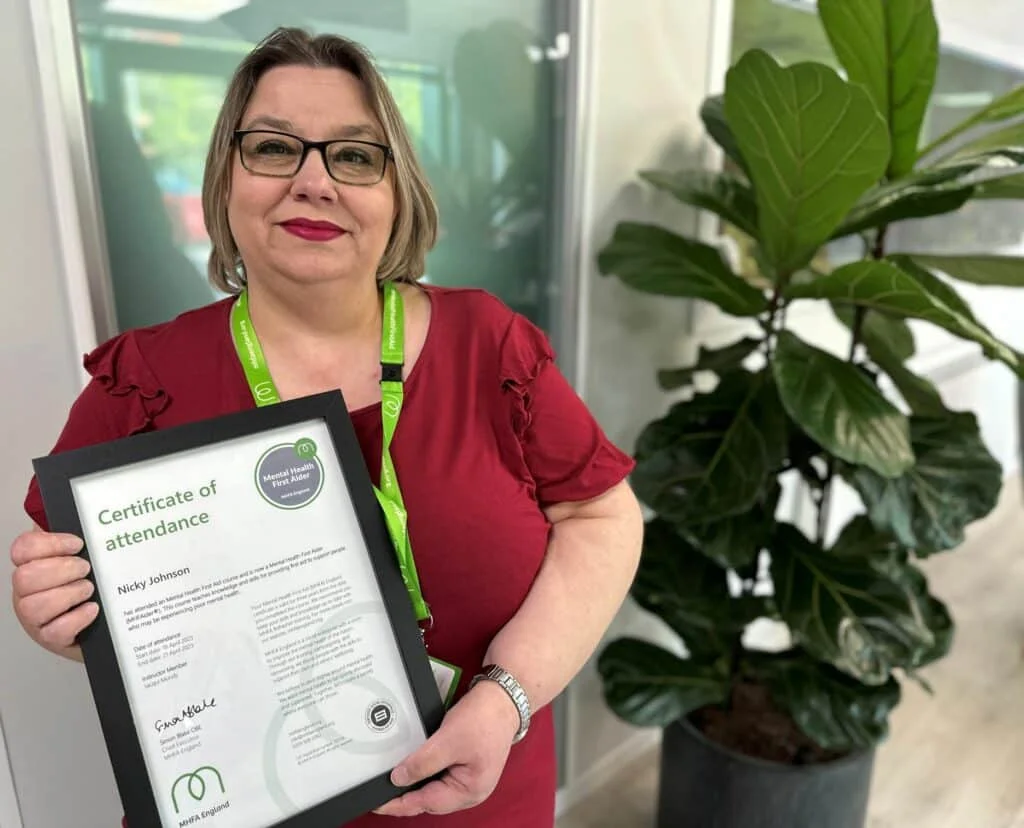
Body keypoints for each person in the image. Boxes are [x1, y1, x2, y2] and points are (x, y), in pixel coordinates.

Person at [8, 26, 643, 827]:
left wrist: (506, 697)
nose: (314, 181)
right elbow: (87, 612)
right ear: (227, 179)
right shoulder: (145, 383)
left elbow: (601, 515)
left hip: (480, 797)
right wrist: (53, 617)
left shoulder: (489, 346)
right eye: (274, 148)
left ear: (396, 190)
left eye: (353, 155)